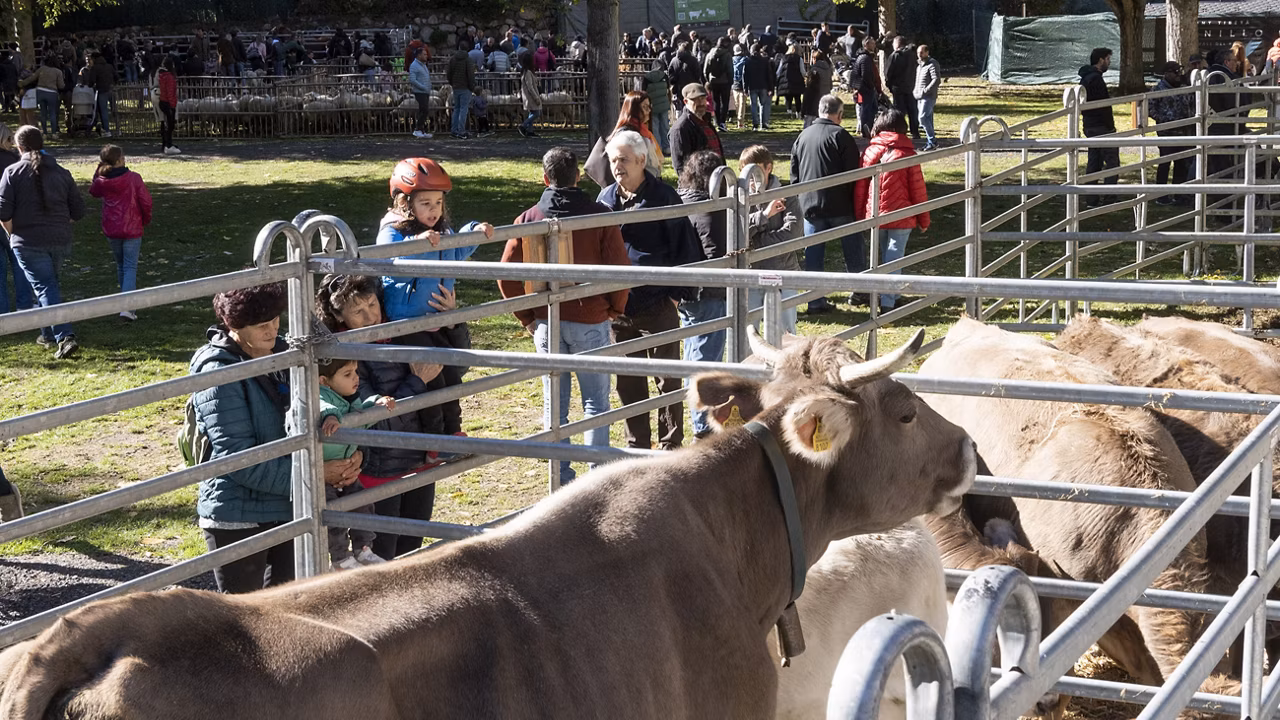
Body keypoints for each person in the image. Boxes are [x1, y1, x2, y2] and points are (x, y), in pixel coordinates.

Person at [192, 283, 354, 592]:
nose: (272, 331)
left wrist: (348, 448)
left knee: (291, 611)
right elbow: (237, 459)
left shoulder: (286, 353)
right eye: (261, 326)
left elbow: (323, 403)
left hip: (289, 506)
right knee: (245, 619)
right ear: (233, 325)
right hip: (239, 515)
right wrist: (315, 475)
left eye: (276, 321)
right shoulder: (218, 373)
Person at [500, 147, 631, 484]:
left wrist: (527, 317)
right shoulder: (599, 215)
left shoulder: (528, 219)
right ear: (577, 176)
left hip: (545, 319)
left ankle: (558, 476)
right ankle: (596, 479)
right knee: (595, 402)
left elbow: (506, 274)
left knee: (554, 404)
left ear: (545, 178)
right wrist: (614, 307)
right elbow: (619, 268)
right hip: (591, 320)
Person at [314, 274, 446, 561]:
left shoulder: (399, 327)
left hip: (417, 455)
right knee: (380, 551)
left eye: (372, 304)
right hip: (378, 466)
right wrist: (417, 382)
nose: (370, 316)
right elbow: (371, 415)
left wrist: (452, 321)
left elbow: (452, 362)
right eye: (357, 311)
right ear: (338, 315)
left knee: (412, 547)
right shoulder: (342, 358)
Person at [378, 157, 494, 455]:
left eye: (438, 203)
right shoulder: (393, 231)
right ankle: (435, 441)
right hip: (409, 322)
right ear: (405, 203)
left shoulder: (443, 233)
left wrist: (475, 229)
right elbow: (389, 261)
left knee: (452, 379)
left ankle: (454, 432)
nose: (433, 210)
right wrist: (416, 243)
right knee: (432, 380)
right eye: (425, 203)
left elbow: (459, 248)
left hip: (439, 318)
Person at [598, 130, 701, 452]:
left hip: (656, 302)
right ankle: (637, 444)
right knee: (628, 380)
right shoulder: (605, 199)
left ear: (642, 160)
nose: (618, 166)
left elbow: (684, 246)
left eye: (624, 160)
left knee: (667, 376)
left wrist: (674, 293)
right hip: (618, 306)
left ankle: (670, 443)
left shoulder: (663, 196)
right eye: (613, 160)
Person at [0, 125, 84, 357]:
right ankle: (47, 333)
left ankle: (64, 335)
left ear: (19, 147)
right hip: (59, 238)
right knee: (49, 284)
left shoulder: (13, 172)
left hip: (28, 240)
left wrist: (11, 234)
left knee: (45, 285)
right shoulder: (62, 172)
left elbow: (3, 212)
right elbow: (77, 211)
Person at [314, 356, 393, 571]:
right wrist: (331, 417)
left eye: (356, 372)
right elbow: (322, 407)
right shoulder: (320, 396)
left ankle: (363, 548)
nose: (355, 378)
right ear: (324, 381)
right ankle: (340, 558)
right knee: (334, 517)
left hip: (347, 472)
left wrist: (376, 403)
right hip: (325, 475)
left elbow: (361, 418)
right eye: (347, 374)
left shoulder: (349, 398)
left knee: (363, 505)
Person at [790, 94, 863, 313]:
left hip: (810, 205)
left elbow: (794, 174)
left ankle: (815, 299)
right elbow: (854, 172)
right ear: (839, 114)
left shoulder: (802, 136)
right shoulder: (841, 135)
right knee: (853, 248)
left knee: (813, 253)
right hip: (840, 203)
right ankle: (860, 290)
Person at [675, 150, 728, 440]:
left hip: (686, 293)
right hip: (709, 293)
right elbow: (715, 252)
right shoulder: (711, 209)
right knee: (706, 358)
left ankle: (699, 417)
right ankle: (702, 425)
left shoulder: (680, 201)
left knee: (693, 353)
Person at [854, 109, 929, 311]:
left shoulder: (870, 152)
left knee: (880, 256)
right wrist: (924, 219)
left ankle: (887, 295)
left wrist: (861, 214)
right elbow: (917, 188)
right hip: (902, 214)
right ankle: (889, 301)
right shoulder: (907, 153)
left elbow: (860, 187)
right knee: (894, 256)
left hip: (875, 213)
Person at [740, 144, 801, 334]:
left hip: (782, 272)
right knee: (750, 332)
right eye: (744, 172)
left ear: (768, 168)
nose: (750, 179)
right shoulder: (739, 199)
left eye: (755, 171)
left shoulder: (786, 195)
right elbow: (736, 232)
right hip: (751, 275)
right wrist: (764, 215)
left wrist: (755, 242)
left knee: (786, 332)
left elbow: (792, 233)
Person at [88, 144, 151, 321]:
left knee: (121, 264)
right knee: (130, 265)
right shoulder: (133, 178)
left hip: (112, 227)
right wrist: (145, 219)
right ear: (119, 159)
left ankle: (123, 299)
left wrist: (97, 172)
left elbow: (93, 191)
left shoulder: (102, 181)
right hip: (131, 226)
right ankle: (127, 307)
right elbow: (145, 201)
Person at [1148, 60, 1194, 207]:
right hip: (1167, 132)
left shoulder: (1184, 88)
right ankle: (1161, 195)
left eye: (1179, 72)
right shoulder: (1158, 90)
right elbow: (1150, 108)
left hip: (1183, 131)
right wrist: (1163, 119)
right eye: (1175, 73)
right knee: (1165, 163)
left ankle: (1178, 194)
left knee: (1181, 163)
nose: (1177, 76)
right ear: (1167, 73)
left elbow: (1191, 104)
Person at [1079, 47, 1118, 207]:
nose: (1109, 62)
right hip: (1101, 126)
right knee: (1112, 161)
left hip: (1090, 125)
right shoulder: (1096, 79)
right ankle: (1109, 196)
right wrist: (1110, 127)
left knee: (1094, 161)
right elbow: (1103, 106)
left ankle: (1092, 198)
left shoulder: (1086, 78)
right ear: (1101, 60)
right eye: (1108, 59)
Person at [0, 124, 32, 316]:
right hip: (12, 216)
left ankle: (2, 311)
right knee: (19, 262)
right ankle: (24, 305)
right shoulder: (15, 162)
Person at [669, 82, 724, 177]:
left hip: (717, 179)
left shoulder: (706, 121)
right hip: (698, 185)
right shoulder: (680, 129)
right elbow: (680, 166)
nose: (701, 103)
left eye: (703, 98)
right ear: (686, 101)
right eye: (696, 100)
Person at [613, 90, 663, 177]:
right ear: (633, 109)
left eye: (649, 106)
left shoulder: (645, 131)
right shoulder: (626, 135)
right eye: (644, 107)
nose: (649, 110)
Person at [885, 36, 920, 139]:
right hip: (911, 87)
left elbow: (888, 73)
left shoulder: (895, 55)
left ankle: (901, 132)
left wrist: (890, 85)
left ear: (897, 44)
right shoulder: (913, 54)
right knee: (912, 111)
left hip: (898, 87)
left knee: (900, 112)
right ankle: (915, 132)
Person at [20, 54, 63, 136]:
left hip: (40, 92)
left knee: (43, 113)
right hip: (52, 93)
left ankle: (45, 133)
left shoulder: (42, 69)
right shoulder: (58, 71)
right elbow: (61, 85)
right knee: (52, 113)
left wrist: (22, 83)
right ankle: (54, 133)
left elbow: (32, 78)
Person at [848, 37, 881, 138]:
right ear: (866, 44)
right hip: (866, 89)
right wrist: (872, 86)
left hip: (866, 88)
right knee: (866, 111)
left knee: (870, 110)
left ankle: (868, 129)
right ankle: (866, 130)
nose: (874, 45)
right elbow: (866, 75)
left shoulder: (865, 57)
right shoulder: (865, 58)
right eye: (872, 43)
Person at [642, 58, 672, 154]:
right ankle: (667, 147)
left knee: (654, 126)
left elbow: (644, 91)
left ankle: (657, 147)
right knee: (665, 125)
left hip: (652, 105)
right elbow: (668, 89)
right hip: (663, 103)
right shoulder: (664, 76)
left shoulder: (647, 78)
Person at [703, 36, 733, 132]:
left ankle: (717, 121)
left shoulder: (710, 54)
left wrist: (708, 80)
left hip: (713, 81)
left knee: (716, 102)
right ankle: (722, 123)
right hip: (725, 82)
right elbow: (730, 70)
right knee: (725, 103)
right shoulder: (727, 55)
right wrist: (730, 81)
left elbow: (705, 70)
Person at [914, 44, 941, 151]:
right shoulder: (919, 66)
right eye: (918, 53)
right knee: (928, 118)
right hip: (919, 96)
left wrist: (926, 90)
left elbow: (936, 80)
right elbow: (918, 81)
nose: (919, 55)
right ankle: (930, 142)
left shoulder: (932, 64)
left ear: (927, 52)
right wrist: (916, 91)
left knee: (922, 118)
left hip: (928, 97)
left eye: (921, 52)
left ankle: (933, 141)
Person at [447, 40, 476, 139]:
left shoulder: (453, 59)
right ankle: (461, 130)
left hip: (456, 87)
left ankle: (454, 130)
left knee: (457, 108)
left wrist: (452, 83)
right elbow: (470, 74)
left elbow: (449, 73)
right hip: (465, 87)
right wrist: (472, 86)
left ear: (459, 47)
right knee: (464, 109)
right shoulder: (468, 59)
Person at [744, 42, 774, 130]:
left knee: (753, 105)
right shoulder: (765, 61)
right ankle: (763, 123)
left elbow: (745, 75)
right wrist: (770, 87)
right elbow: (769, 75)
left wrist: (745, 88)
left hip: (752, 85)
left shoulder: (748, 61)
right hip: (763, 85)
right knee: (763, 105)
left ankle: (755, 124)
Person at [801, 49, 833, 128]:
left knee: (810, 119)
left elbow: (810, 86)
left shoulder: (814, 70)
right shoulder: (828, 69)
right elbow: (831, 84)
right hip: (825, 94)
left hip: (815, 96)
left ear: (814, 59)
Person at [155, 55, 179, 154]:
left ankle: (166, 143)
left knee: (167, 124)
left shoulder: (162, 76)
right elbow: (170, 92)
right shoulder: (169, 77)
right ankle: (168, 144)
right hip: (168, 103)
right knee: (170, 125)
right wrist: (173, 105)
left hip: (163, 101)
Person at [667, 41, 702, 107]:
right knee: (691, 104)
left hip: (678, 86)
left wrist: (674, 81)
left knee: (680, 105)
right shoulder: (693, 60)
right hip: (691, 86)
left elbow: (670, 73)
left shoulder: (674, 60)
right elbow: (698, 73)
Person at [409, 45, 433, 140]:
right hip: (420, 91)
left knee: (424, 110)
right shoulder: (414, 66)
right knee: (424, 110)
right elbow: (412, 80)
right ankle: (418, 129)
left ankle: (421, 130)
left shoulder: (423, 65)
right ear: (419, 55)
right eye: (424, 54)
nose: (426, 56)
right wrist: (423, 87)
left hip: (425, 91)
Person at [775, 41, 805, 118]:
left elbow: (779, 70)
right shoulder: (799, 59)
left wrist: (778, 78)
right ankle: (798, 113)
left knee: (788, 98)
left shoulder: (784, 58)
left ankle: (789, 112)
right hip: (797, 80)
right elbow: (802, 71)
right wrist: (805, 76)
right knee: (797, 98)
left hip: (786, 80)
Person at [518, 51, 542, 138]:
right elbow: (530, 86)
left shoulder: (525, 72)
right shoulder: (527, 72)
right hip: (531, 96)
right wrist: (536, 97)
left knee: (532, 112)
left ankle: (530, 130)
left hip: (528, 96)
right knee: (537, 113)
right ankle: (523, 125)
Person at [731, 44, 749, 130]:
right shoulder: (746, 60)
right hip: (743, 84)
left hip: (734, 83)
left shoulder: (732, 60)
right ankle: (741, 122)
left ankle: (738, 121)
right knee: (742, 104)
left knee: (737, 103)